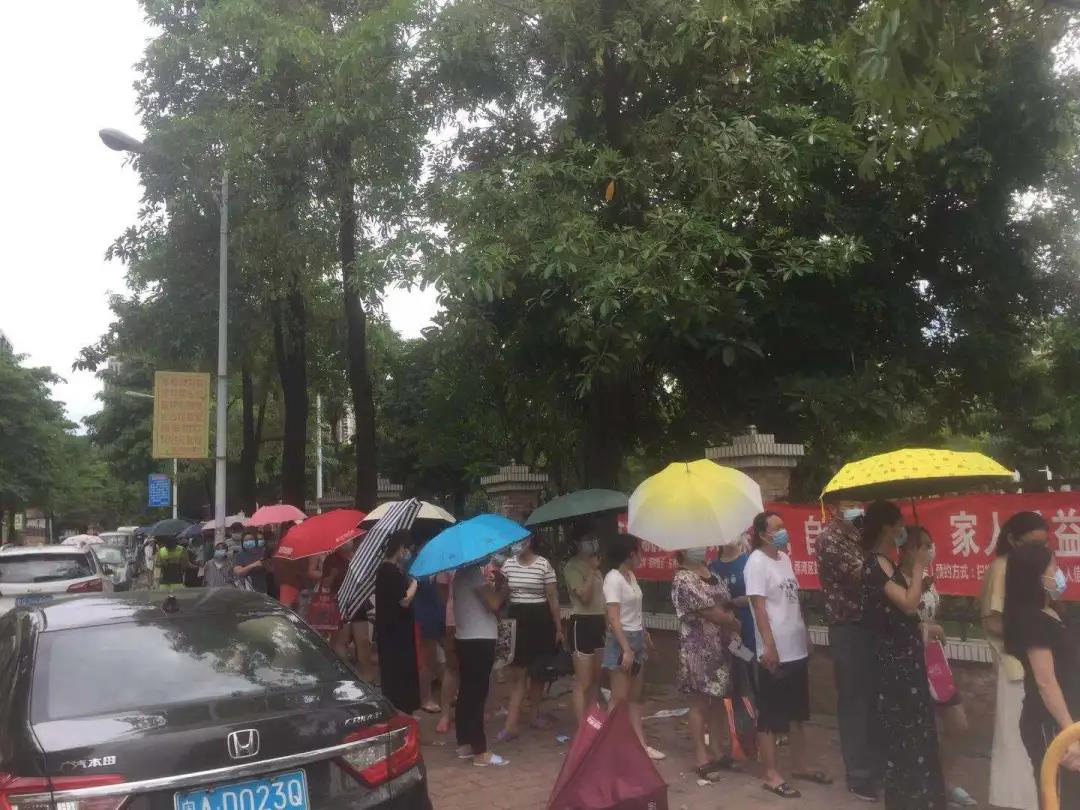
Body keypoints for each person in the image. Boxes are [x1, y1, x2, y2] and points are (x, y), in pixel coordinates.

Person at [861, 500, 945, 810]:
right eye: (898, 524)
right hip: (893, 664)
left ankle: (926, 798)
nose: (901, 531)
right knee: (903, 733)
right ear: (887, 527)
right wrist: (919, 566)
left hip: (908, 657)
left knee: (919, 729)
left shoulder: (888, 563)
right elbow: (907, 605)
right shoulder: (874, 565)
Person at [745, 511, 828, 799]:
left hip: (796, 647)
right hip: (776, 650)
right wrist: (768, 646)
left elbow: (793, 601)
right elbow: (758, 608)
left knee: (797, 713)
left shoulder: (785, 559)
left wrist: (805, 634)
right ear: (762, 534)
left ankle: (800, 765)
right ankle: (771, 773)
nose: (783, 532)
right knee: (770, 714)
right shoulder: (756, 563)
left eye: (783, 526)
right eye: (777, 528)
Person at [899, 526, 975, 807]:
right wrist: (926, 629)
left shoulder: (928, 580)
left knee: (958, 724)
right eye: (924, 546)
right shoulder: (896, 582)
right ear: (907, 549)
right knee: (922, 729)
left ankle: (944, 780)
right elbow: (895, 625)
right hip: (909, 662)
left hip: (935, 660)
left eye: (931, 545)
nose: (930, 551)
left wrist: (933, 629)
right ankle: (923, 785)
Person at [1003, 542, 1080, 808]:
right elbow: (1046, 683)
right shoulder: (1031, 620)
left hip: (1070, 718)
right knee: (1058, 795)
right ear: (1035, 575)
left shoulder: (1055, 611)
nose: (1059, 573)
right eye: (1054, 567)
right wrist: (1069, 733)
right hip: (1051, 722)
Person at [981, 511, 1048, 810]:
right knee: (1015, 738)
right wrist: (1031, 631)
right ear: (1012, 539)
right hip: (1015, 666)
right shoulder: (1002, 568)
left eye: (1043, 545)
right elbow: (992, 621)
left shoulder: (1033, 568)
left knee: (1033, 737)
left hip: (1034, 662)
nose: (1040, 551)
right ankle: (1017, 801)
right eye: (1033, 544)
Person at [816, 501, 881, 801]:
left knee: (874, 699)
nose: (856, 508)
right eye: (848, 503)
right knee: (854, 700)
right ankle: (859, 774)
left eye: (857, 502)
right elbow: (865, 575)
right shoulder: (830, 539)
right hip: (848, 626)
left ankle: (878, 765)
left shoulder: (861, 534)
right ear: (834, 507)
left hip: (872, 624)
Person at [672, 546, 740, 781]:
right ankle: (701, 756)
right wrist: (732, 621)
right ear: (683, 550)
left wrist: (730, 619)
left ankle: (717, 750)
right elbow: (713, 612)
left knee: (719, 699)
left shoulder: (711, 572)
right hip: (697, 649)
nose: (700, 547)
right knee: (699, 702)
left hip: (721, 646)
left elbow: (726, 602)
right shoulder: (682, 579)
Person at [601, 534, 664, 760]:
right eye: (639, 552)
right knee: (619, 697)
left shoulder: (631, 576)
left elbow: (635, 610)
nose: (641, 556)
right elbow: (613, 618)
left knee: (636, 697)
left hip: (636, 637)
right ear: (630, 554)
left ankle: (640, 745)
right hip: (622, 640)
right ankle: (607, 747)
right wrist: (626, 649)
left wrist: (644, 634)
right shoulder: (613, 578)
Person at [497, 535, 563, 741]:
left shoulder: (544, 565)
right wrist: (496, 583)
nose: (517, 544)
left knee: (538, 672)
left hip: (541, 621)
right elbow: (501, 597)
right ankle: (511, 724)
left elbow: (552, 598)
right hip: (516, 621)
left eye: (521, 540)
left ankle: (534, 715)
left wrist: (558, 628)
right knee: (518, 674)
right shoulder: (508, 565)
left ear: (529, 542)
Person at [454, 560, 511, 767]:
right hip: (479, 639)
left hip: (466, 638)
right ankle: (480, 751)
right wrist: (504, 588)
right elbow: (493, 604)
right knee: (477, 695)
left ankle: (465, 743)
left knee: (467, 693)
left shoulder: (461, 574)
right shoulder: (472, 574)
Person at [374, 529, 421, 714]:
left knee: (398, 671)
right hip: (395, 633)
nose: (408, 554)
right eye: (408, 549)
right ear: (401, 548)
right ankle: (399, 710)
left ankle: (402, 709)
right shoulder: (389, 571)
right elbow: (404, 600)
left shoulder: (392, 570)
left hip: (395, 631)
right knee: (397, 673)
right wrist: (415, 583)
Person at [563, 534, 606, 726]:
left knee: (596, 678)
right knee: (584, 680)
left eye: (593, 539)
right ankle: (582, 726)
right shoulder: (572, 567)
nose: (592, 543)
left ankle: (592, 720)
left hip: (599, 622)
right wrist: (591, 571)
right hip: (581, 623)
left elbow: (602, 599)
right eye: (587, 539)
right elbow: (585, 597)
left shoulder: (596, 567)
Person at [414, 574, 447, 715]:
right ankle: (425, 697)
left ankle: (447, 691)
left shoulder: (438, 570)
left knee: (441, 657)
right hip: (424, 616)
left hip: (438, 614)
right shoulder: (418, 571)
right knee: (427, 659)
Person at [435, 570, 460, 735]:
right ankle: (445, 715)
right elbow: (442, 588)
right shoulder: (447, 561)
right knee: (451, 667)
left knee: (474, 669)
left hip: (478, 621)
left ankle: (469, 711)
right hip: (453, 619)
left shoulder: (484, 559)